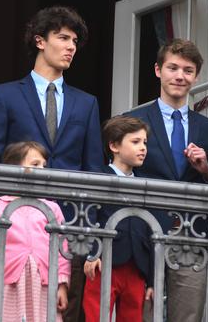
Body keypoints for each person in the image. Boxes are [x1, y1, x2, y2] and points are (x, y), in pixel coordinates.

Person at [0, 5, 103, 321]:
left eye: (75, 41)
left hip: (69, 226)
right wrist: (2, 215)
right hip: (16, 227)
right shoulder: (4, 95)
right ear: (39, 41)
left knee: (64, 313)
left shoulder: (86, 103)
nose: (71, 47)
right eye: (62, 37)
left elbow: (93, 170)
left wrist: (88, 232)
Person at [126, 38, 208, 322]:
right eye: (173, 68)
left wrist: (205, 169)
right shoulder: (132, 121)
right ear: (158, 70)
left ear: (196, 76)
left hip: (192, 235)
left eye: (188, 70)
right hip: (142, 233)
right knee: (141, 313)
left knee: (188, 316)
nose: (180, 76)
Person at [0, 141, 71, 322]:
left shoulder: (51, 208)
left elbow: (62, 251)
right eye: (35, 165)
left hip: (45, 284)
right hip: (12, 284)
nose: (42, 169)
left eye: (43, 165)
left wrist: (62, 285)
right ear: (14, 169)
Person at [82, 116, 154, 322]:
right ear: (114, 145)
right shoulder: (99, 178)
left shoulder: (146, 185)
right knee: (96, 316)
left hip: (136, 266)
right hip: (103, 263)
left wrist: (151, 280)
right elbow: (89, 217)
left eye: (144, 142)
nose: (143, 148)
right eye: (135, 141)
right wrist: (92, 253)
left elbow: (150, 232)